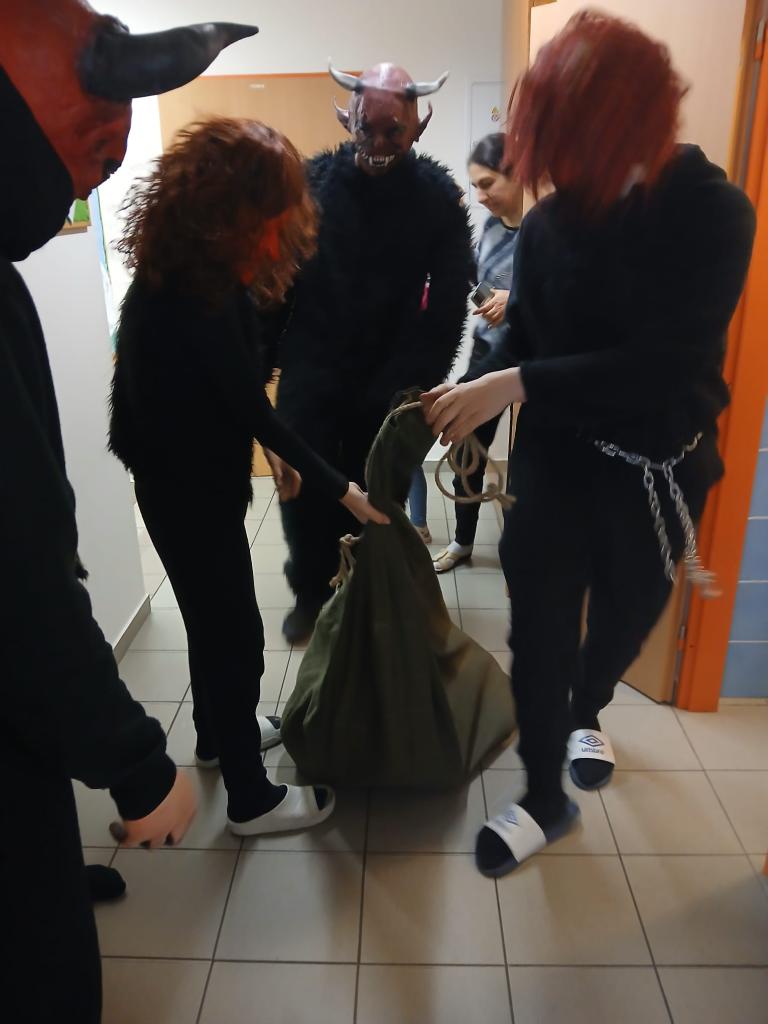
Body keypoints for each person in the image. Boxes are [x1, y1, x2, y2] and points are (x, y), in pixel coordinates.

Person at [423, 10, 755, 878]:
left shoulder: (715, 213)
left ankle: (589, 707)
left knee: (623, 619)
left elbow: (664, 360)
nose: (557, 165)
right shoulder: (551, 222)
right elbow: (522, 334)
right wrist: (469, 393)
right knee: (536, 630)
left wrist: (516, 383)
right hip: (559, 460)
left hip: (659, 465)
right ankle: (544, 798)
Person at [0, 4, 257, 1019]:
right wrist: (137, 766)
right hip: (182, 490)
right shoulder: (177, 290)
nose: (89, 185)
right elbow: (17, 574)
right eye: (90, 157)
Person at [109, 117, 388, 839]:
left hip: (182, 482)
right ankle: (250, 798)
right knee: (234, 634)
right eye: (274, 210)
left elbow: (230, 389)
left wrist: (276, 454)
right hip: (186, 491)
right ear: (233, 208)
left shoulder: (191, 271)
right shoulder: (189, 295)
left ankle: (216, 734)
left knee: (211, 624)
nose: (283, 228)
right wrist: (342, 487)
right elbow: (248, 404)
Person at [276, 61, 474, 643]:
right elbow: (277, 276)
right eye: (368, 128)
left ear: (417, 127)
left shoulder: (438, 198)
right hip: (313, 367)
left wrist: (418, 381)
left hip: (392, 373)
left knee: (378, 492)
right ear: (348, 120)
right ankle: (312, 592)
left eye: (394, 132)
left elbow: (449, 300)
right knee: (304, 489)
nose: (379, 144)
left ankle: (367, 598)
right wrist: (264, 362)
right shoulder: (311, 184)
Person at [432, 132, 522, 573]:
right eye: (476, 187)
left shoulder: (543, 231)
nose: (481, 196)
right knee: (466, 454)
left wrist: (514, 300)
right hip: (487, 354)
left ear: (517, 174)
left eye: (488, 184)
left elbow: (563, 299)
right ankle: (462, 542)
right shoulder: (490, 228)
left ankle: (521, 558)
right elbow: (480, 281)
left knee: (527, 472)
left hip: (526, 364)